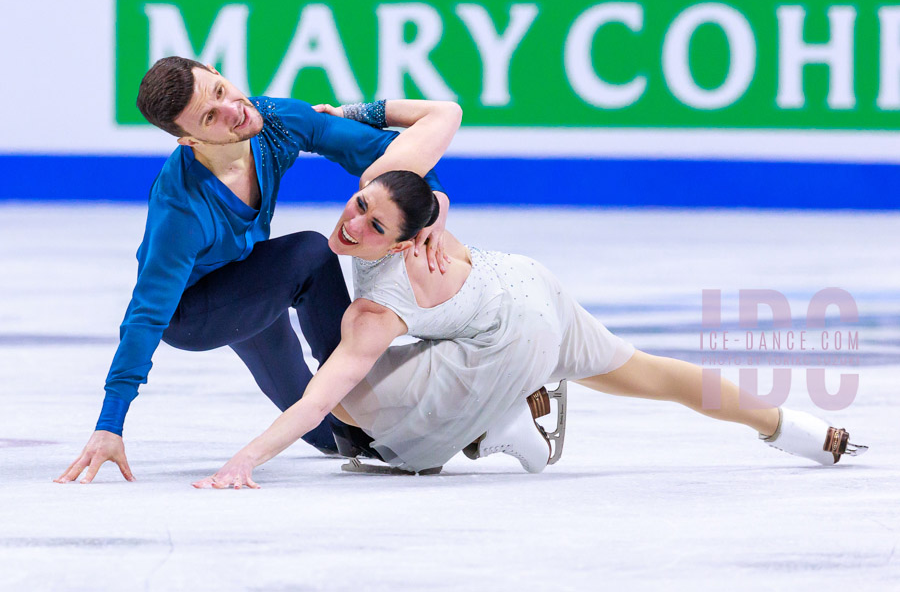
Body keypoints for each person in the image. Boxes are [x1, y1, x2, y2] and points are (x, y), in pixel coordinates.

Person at [193, 170, 866, 489]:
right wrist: (440, 206)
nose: (353, 223)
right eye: (360, 205)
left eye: (374, 225)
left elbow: (315, 398)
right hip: (528, 286)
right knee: (655, 375)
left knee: (352, 405)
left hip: (511, 340)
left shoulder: (373, 310)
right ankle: (803, 433)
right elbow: (441, 124)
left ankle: (499, 423)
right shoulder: (420, 219)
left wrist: (246, 458)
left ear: (404, 243)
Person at [55, 56, 461, 484]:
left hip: (250, 279)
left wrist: (434, 198)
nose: (233, 109)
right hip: (193, 315)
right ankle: (357, 385)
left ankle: (350, 422)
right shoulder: (182, 209)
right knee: (310, 253)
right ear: (189, 141)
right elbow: (147, 314)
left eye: (218, 91)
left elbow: (384, 153)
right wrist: (110, 423)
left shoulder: (274, 120)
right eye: (210, 116)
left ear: (216, 71)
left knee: (333, 434)